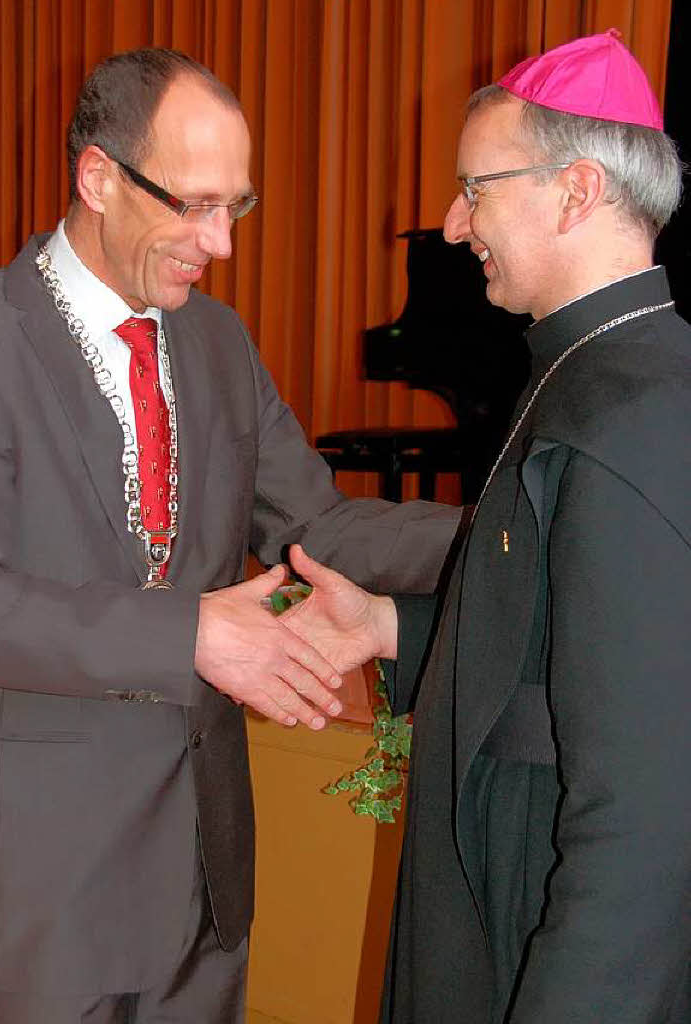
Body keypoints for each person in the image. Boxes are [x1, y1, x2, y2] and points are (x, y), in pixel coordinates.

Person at [0, 50, 462, 1023]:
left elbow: (317, 522)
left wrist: (505, 530)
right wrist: (188, 634)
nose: (217, 241)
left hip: (205, 871)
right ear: (96, 177)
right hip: (53, 878)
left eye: (235, 208)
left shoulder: (217, 341)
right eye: (193, 205)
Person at [284, 29, 691, 1022]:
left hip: (539, 907)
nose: (449, 220)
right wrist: (390, 628)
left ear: (575, 190)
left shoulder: (625, 415)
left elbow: (639, 816)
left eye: (476, 187)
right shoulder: (588, 372)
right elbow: (555, 644)